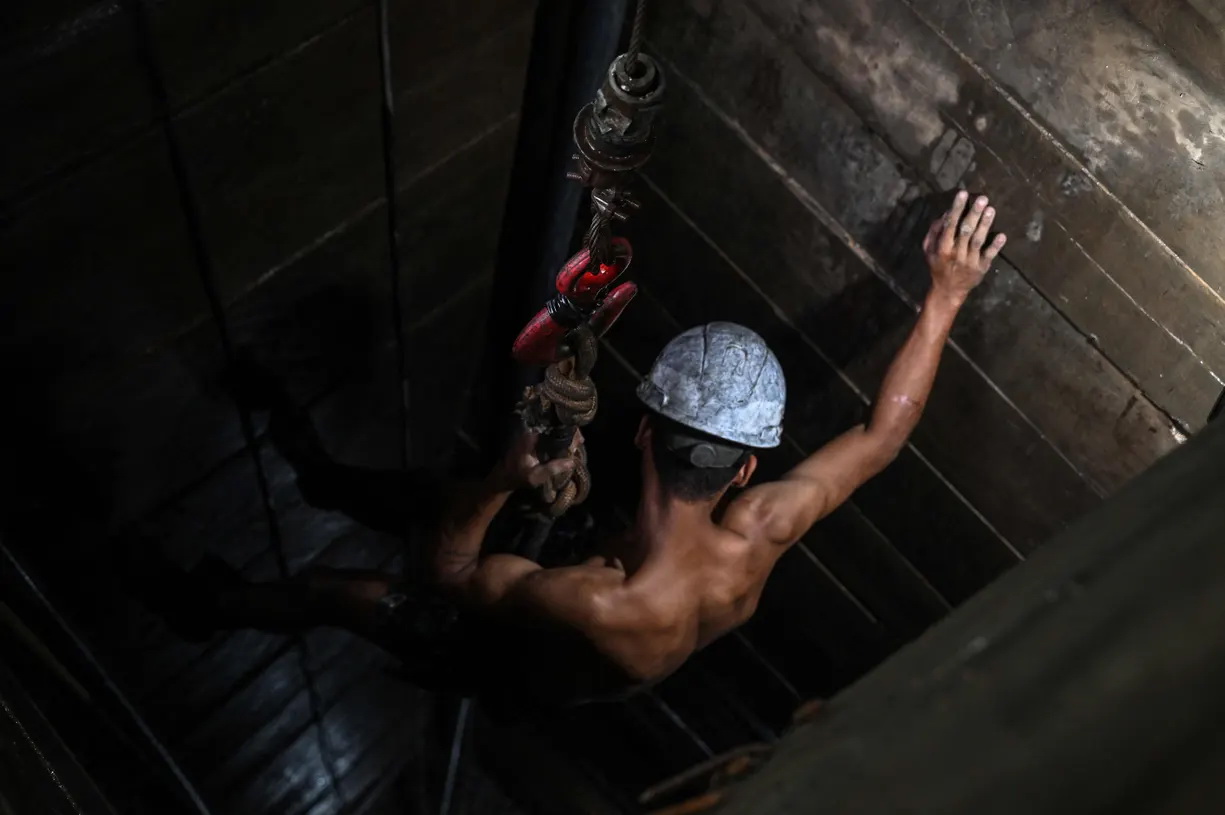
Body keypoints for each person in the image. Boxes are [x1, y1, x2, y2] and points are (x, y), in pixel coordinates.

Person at [145, 191, 1005, 714]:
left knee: (334, 589)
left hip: (509, 650)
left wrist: (501, 479)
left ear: (643, 430)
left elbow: (451, 574)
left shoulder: (597, 599)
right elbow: (882, 434)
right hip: (591, 566)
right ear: (746, 467)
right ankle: (326, 481)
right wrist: (944, 294)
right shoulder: (762, 526)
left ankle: (213, 606)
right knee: (406, 494)